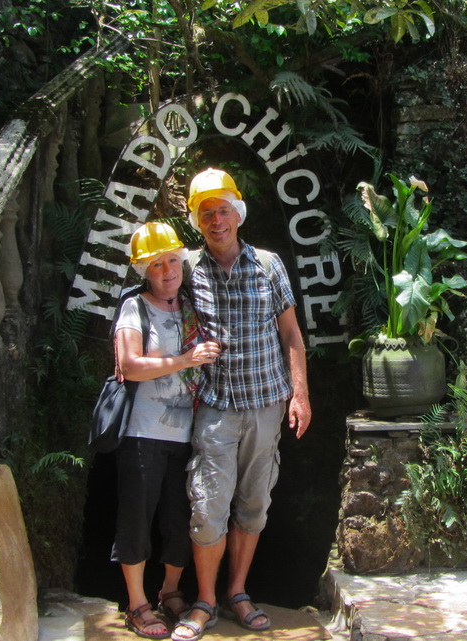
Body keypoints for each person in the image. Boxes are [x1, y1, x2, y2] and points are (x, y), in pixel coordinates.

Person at [171, 168, 312, 641]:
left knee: (253, 504)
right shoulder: (188, 269)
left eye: (223, 210)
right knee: (208, 506)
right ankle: (204, 599)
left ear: (238, 213)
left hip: (267, 405)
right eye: (206, 213)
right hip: (215, 406)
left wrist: (301, 395)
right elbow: (152, 289)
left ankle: (237, 592)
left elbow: (291, 334)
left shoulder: (269, 265)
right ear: (198, 220)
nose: (216, 220)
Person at [112, 221, 221, 640]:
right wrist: (187, 359)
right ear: (144, 270)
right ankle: (137, 604)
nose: (167, 270)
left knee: (181, 519)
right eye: (157, 264)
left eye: (173, 260)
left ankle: (169, 592)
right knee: (137, 518)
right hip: (142, 434)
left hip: (187, 435)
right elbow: (130, 366)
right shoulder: (134, 308)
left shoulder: (189, 306)